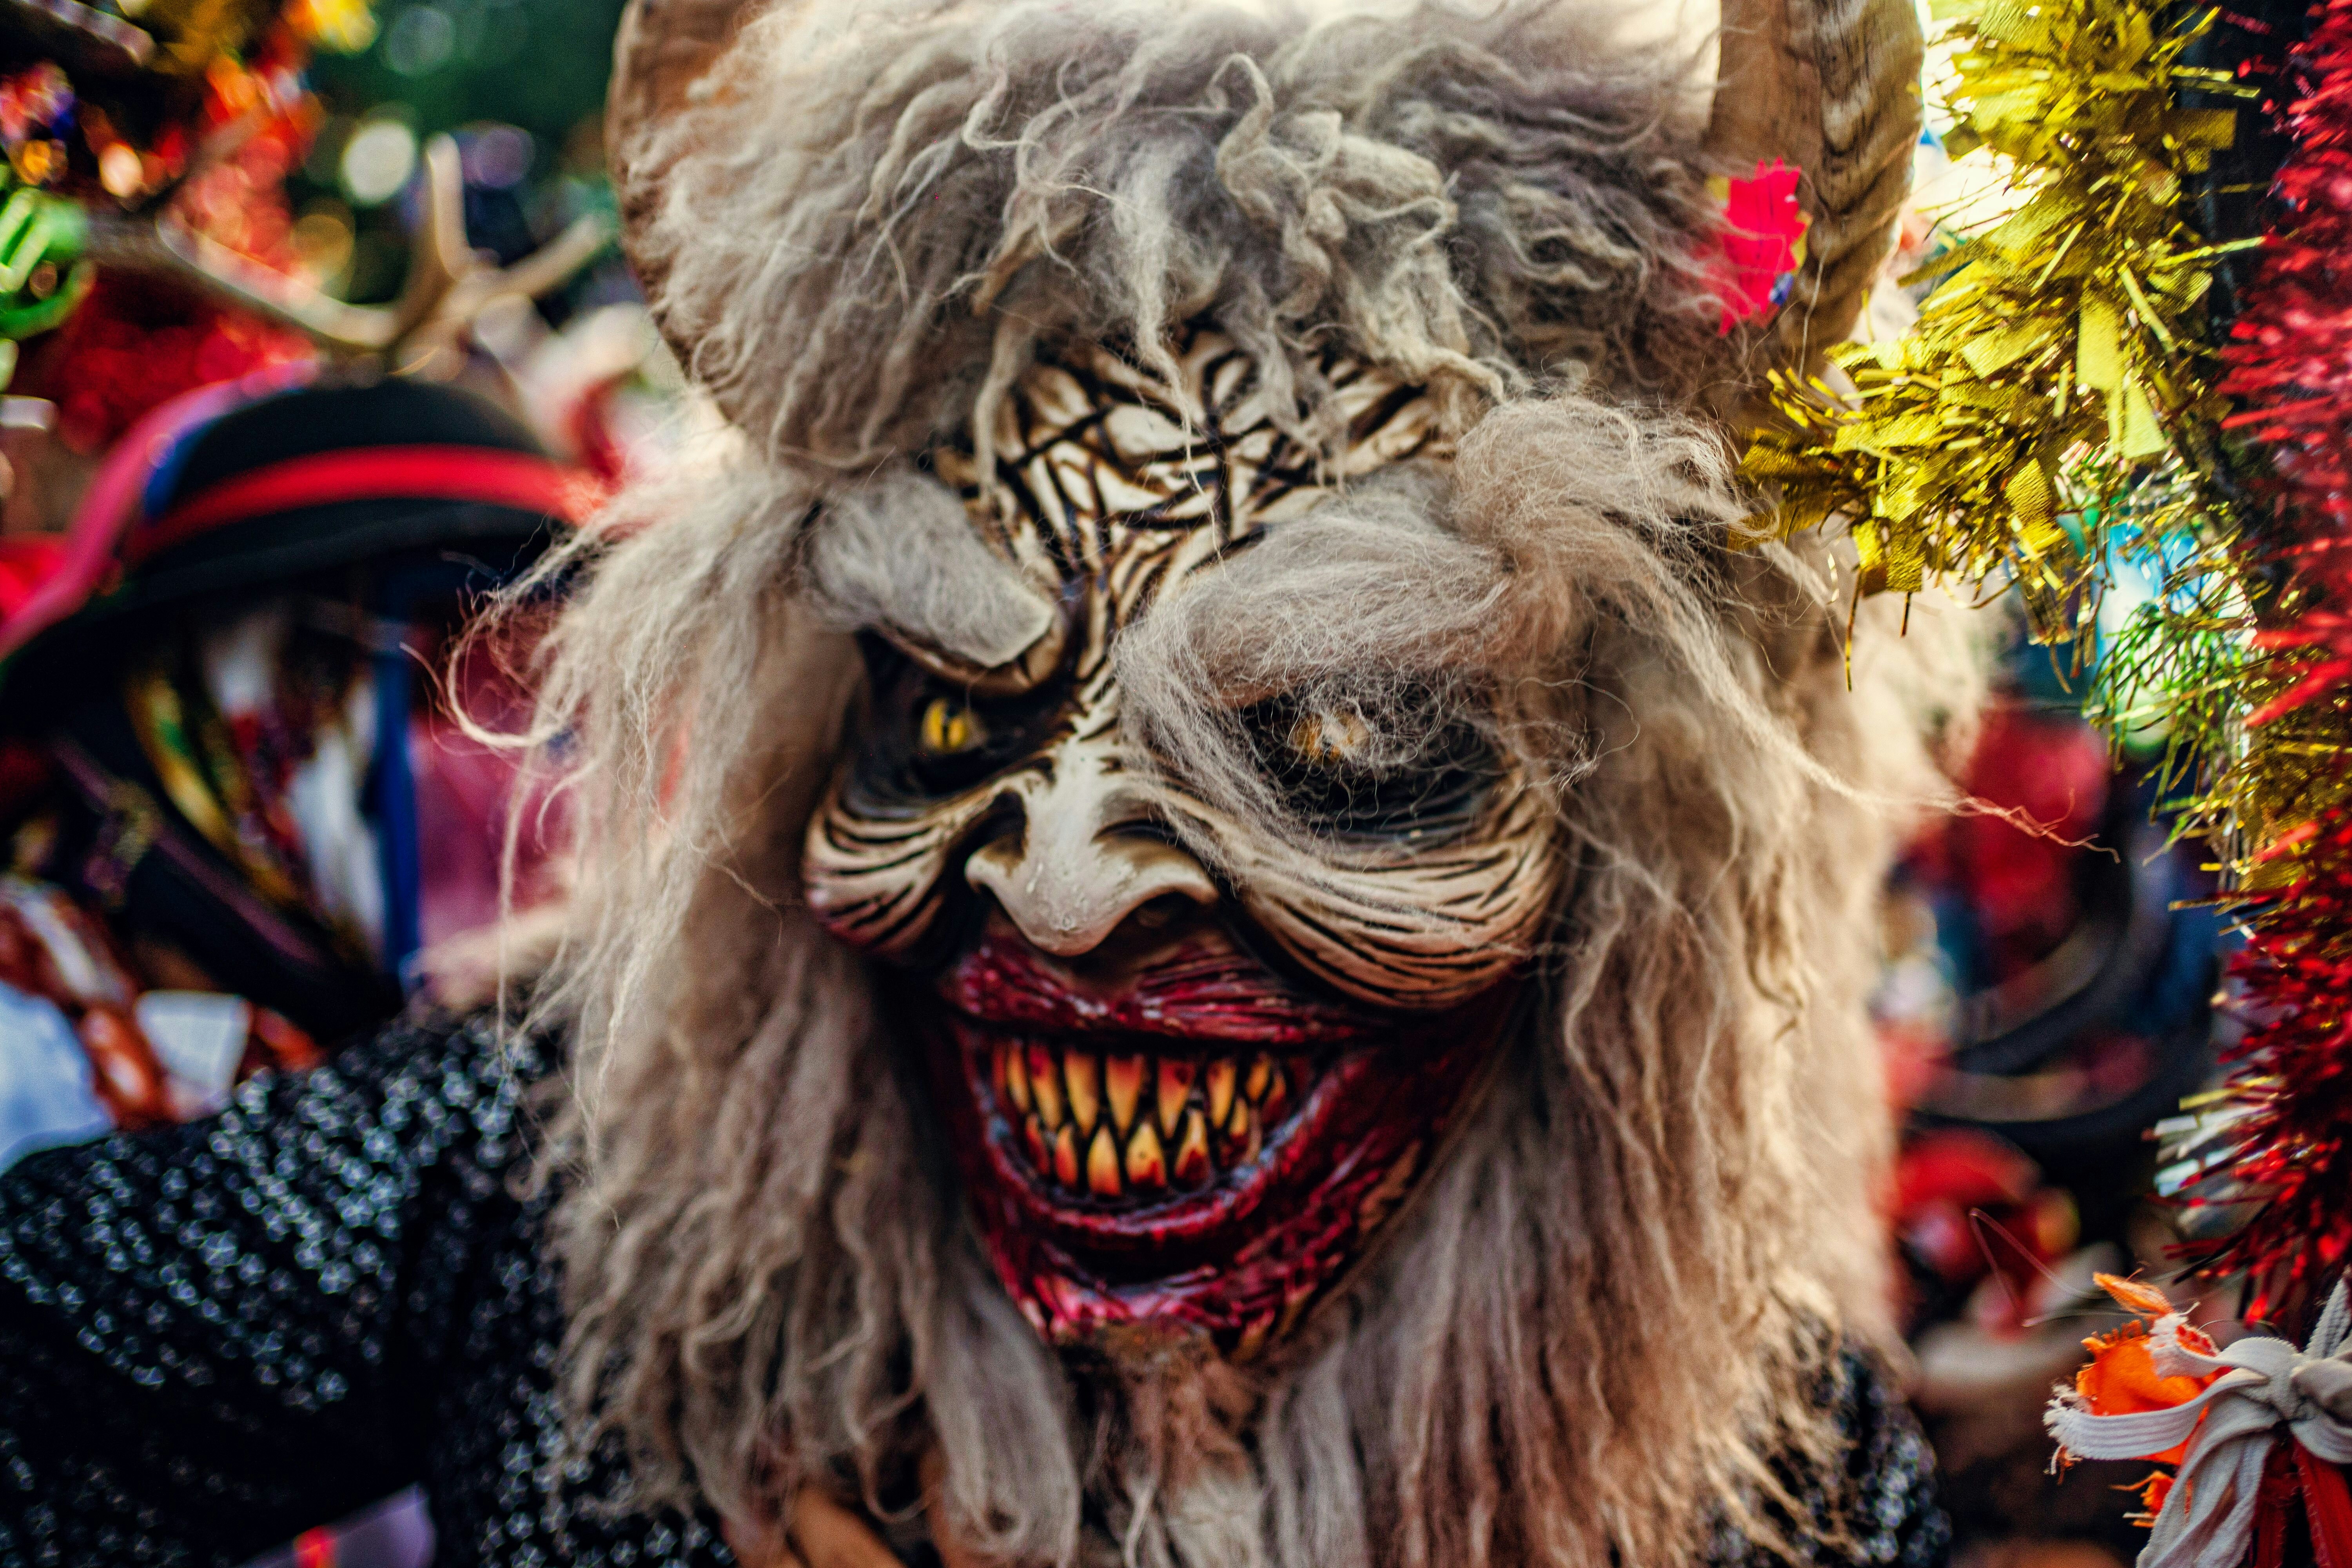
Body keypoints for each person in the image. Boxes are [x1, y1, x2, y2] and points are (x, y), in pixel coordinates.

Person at [0, 2, 1971, 1564]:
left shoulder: (1753, 1477)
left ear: (1636, 820)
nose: (1059, 882)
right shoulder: (565, 1184)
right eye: (953, 695)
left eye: (1340, 739)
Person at [0, 369, 584, 1170]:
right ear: (239, 698)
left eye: (552, 706)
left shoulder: (532, 1087)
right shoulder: (27, 1063)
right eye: (432, 683)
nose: (515, 771)